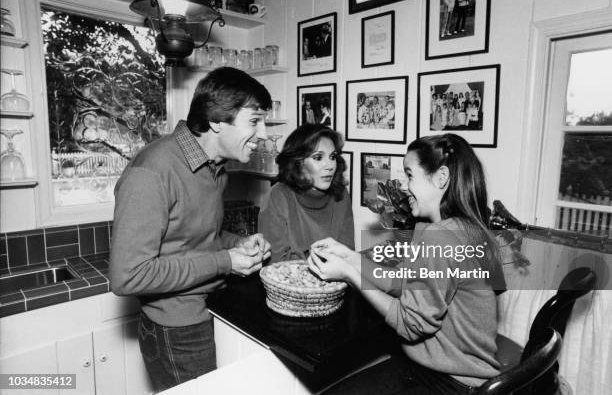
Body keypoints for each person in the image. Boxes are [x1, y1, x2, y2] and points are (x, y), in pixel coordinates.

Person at [109, 67, 272, 393]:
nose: (264, 133)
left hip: (208, 307)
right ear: (216, 121)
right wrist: (226, 261)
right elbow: (127, 276)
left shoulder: (215, 168)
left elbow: (199, 237)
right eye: (254, 121)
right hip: (175, 329)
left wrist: (238, 244)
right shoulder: (152, 171)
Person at [307, 133, 505, 394]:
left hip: (453, 382)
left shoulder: (440, 237)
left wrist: (350, 276)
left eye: (410, 175)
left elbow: (409, 324)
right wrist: (350, 257)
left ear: (441, 178)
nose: (404, 185)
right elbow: (401, 282)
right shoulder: (466, 228)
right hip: (438, 368)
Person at [259, 125, 354, 263]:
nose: (330, 165)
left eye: (332, 156)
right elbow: (276, 264)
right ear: (298, 163)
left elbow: (348, 254)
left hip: (338, 282)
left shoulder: (341, 194)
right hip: (288, 282)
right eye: (318, 157)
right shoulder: (278, 195)